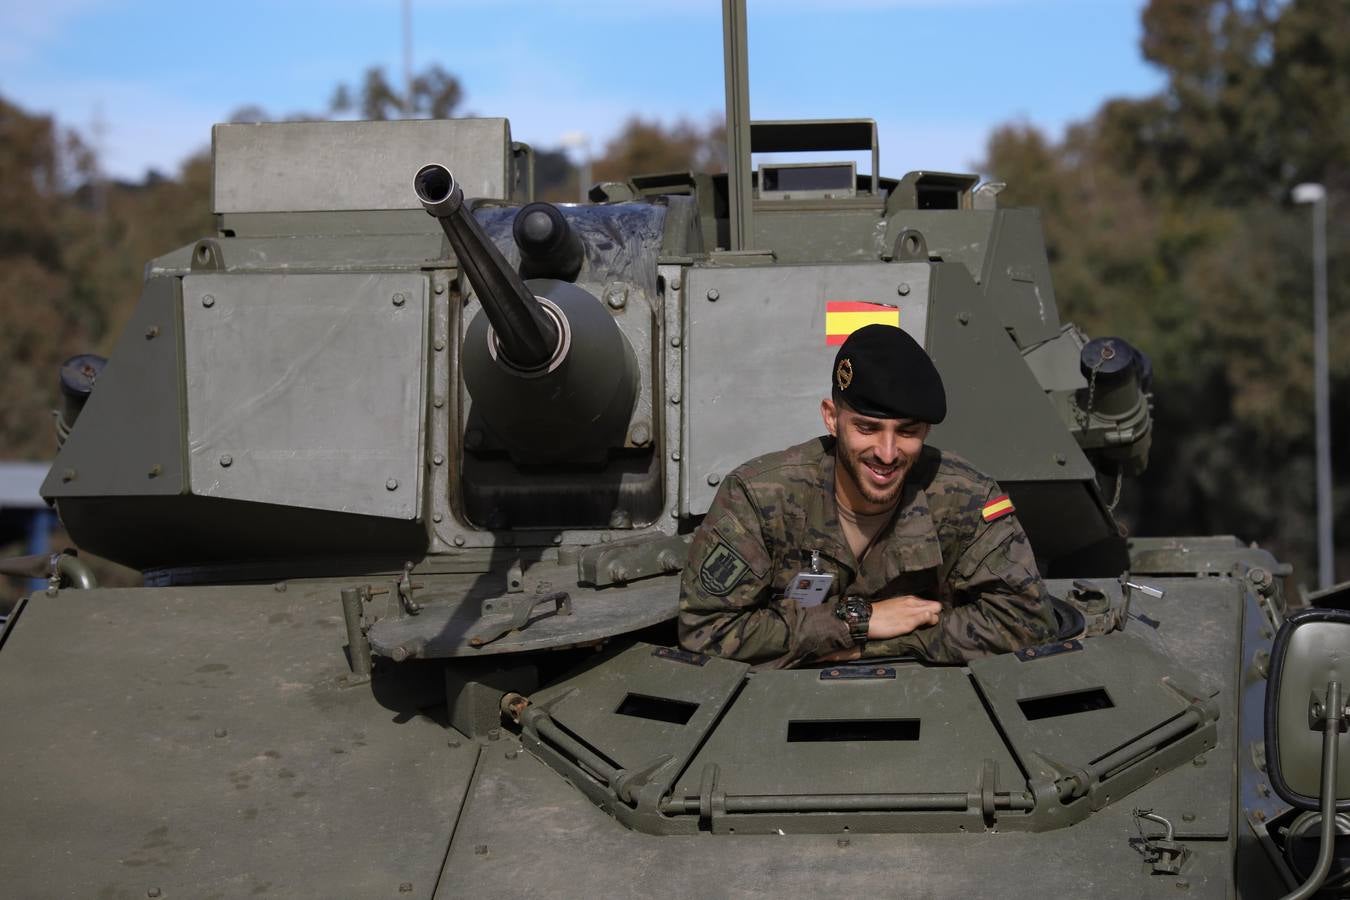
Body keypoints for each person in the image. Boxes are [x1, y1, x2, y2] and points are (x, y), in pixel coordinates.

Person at [678, 324, 1057, 669]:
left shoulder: (966, 499)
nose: (888, 453)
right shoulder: (759, 497)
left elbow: (1028, 619)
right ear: (831, 417)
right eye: (867, 427)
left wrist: (867, 647)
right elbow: (707, 629)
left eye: (907, 432)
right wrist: (858, 620)